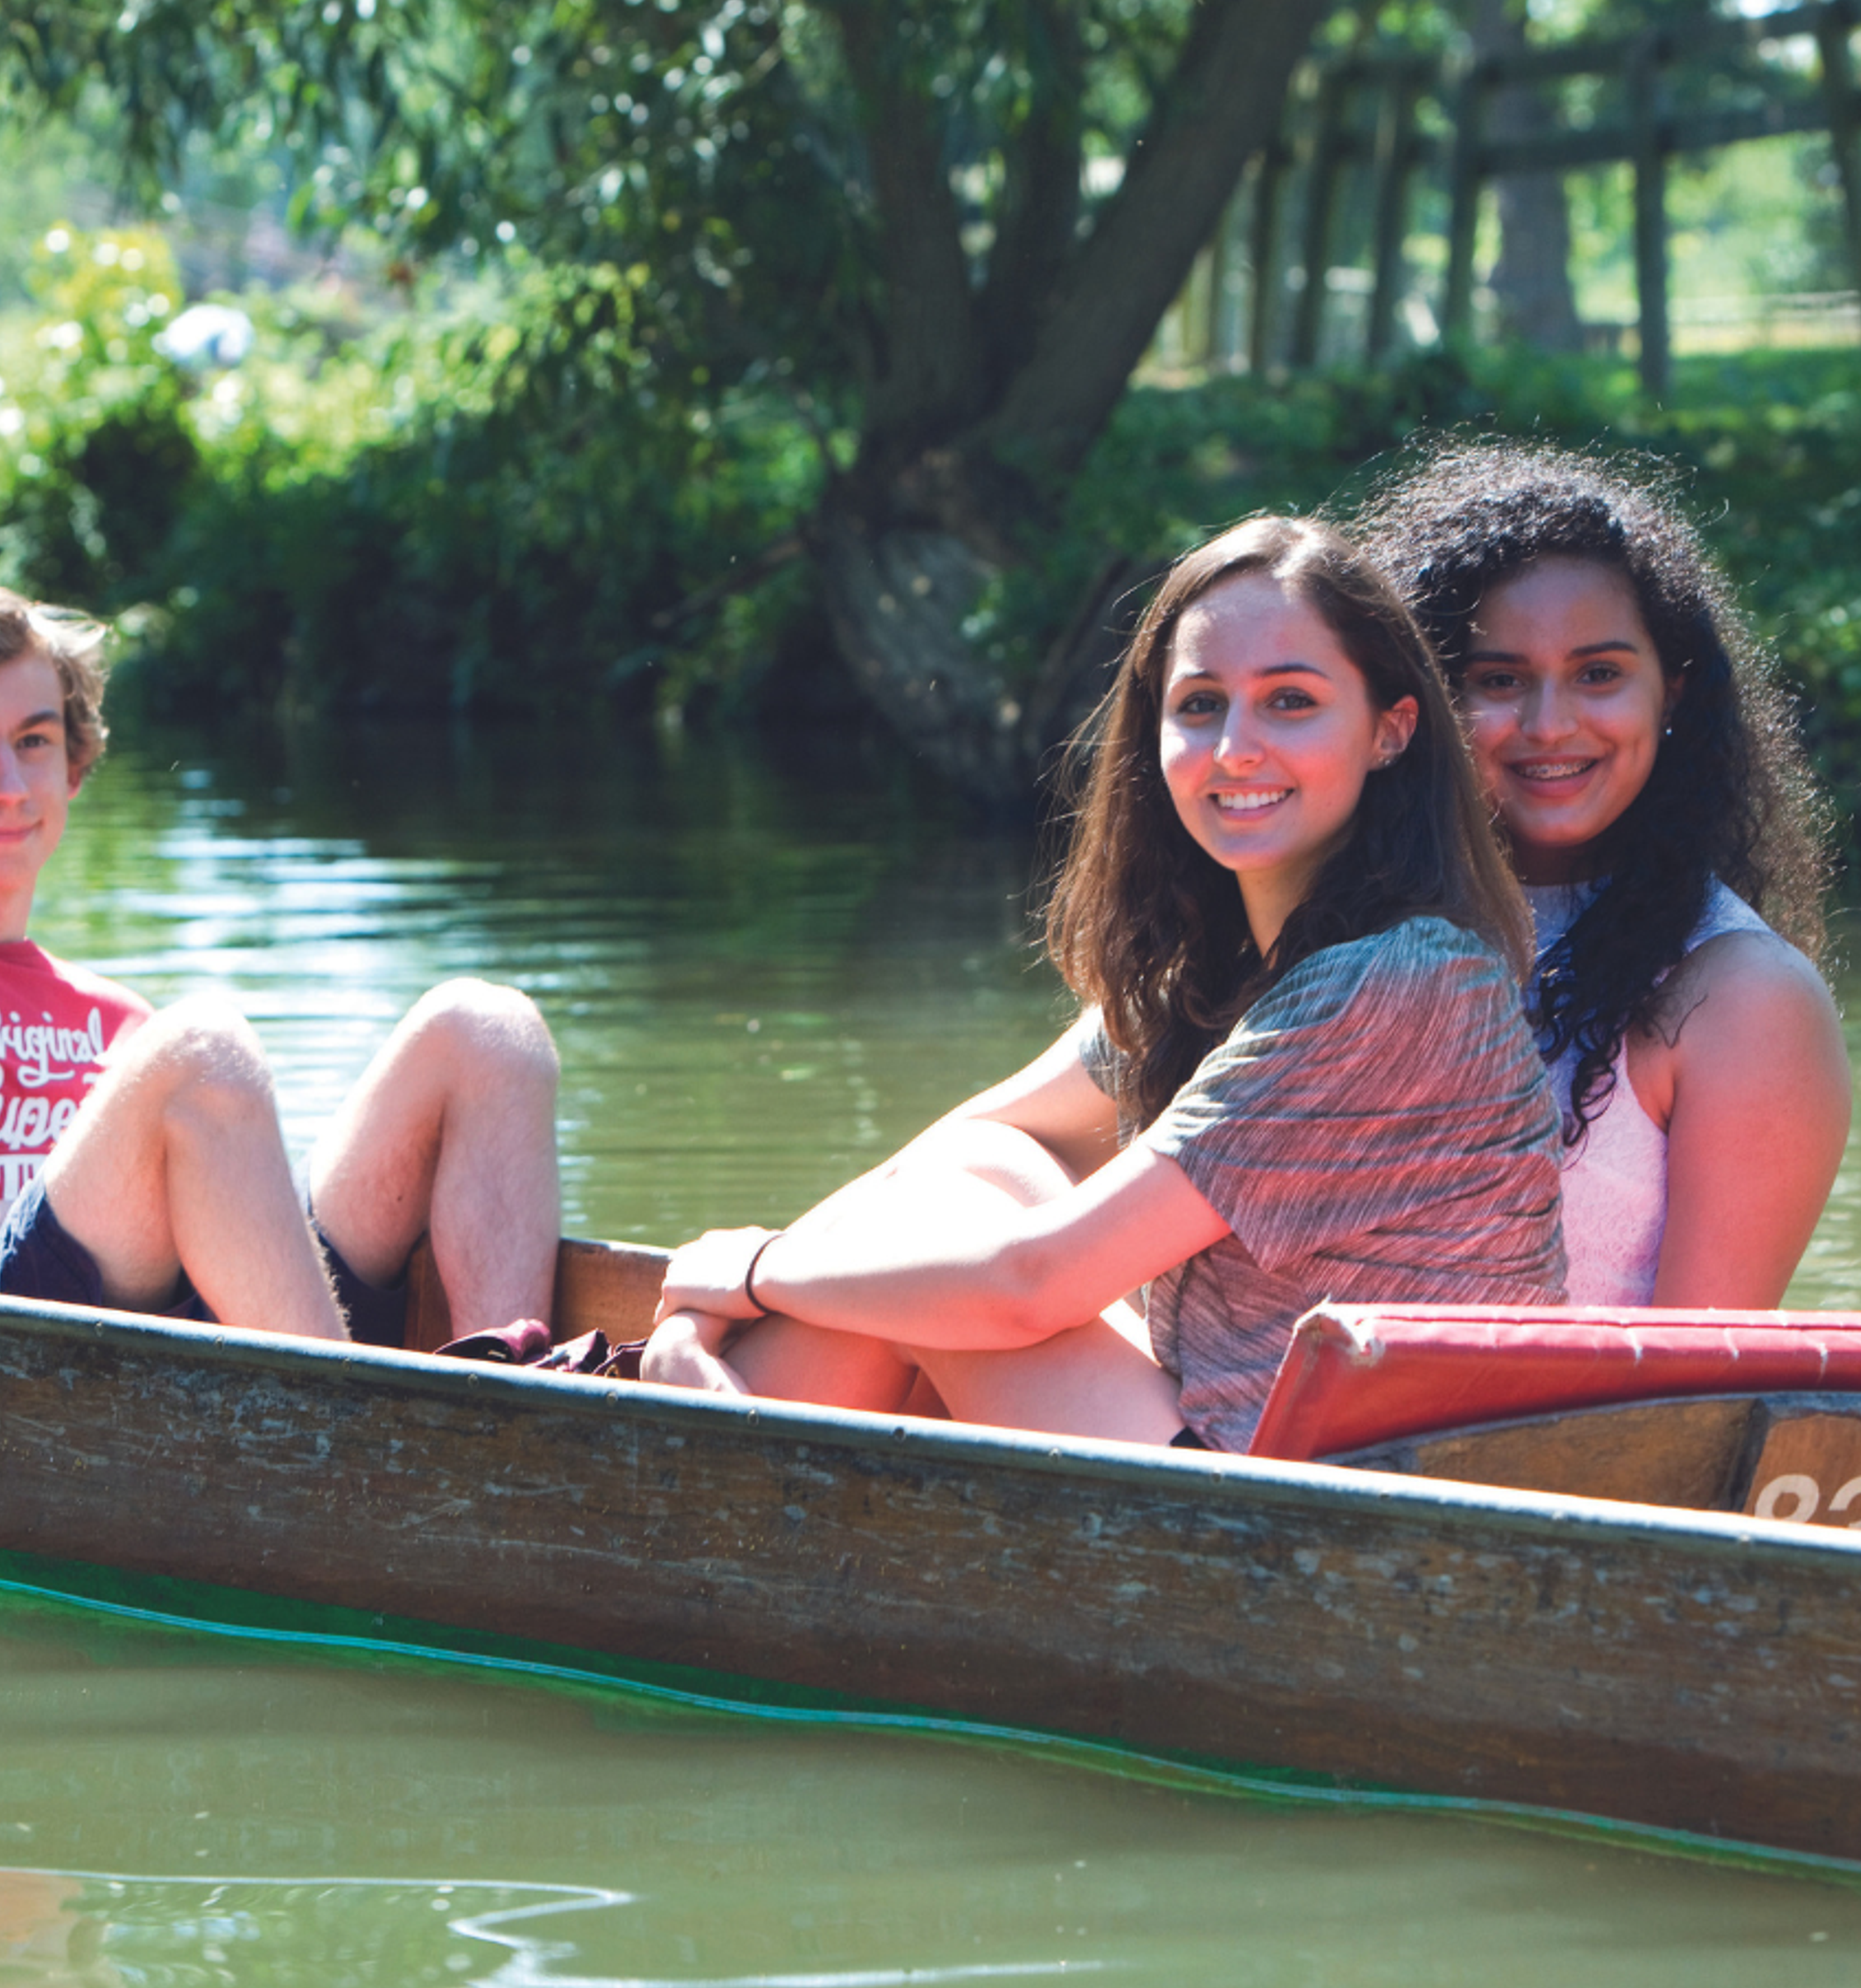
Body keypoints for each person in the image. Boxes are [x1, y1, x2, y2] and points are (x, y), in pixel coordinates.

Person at [641, 516, 1564, 1453]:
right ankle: (721, 1440)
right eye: (1200, 704)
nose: (1235, 747)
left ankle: (708, 1465)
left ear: (1390, 731)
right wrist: (709, 1301)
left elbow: (1033, 1286)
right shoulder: (1219, 969)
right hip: (1243, 1457)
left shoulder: (1398, 983)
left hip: (1329, 1511)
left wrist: (754, 1272)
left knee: (939, 1241)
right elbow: (951, 1147)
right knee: (975, 1167)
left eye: (1290, 701)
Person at [0, 582, 560, 1344]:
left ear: (73, 766)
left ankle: (517, 1394)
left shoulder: (123, 1023)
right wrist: (130, 1194)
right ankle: (341, 1418)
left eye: (34, 741)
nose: (8, 785)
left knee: (489, 1028)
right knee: (205, 1049)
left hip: (189, 1324)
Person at [1355, 440, 1850, 1310]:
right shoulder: (1337, 920)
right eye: (1498, 678)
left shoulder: (1743, 995)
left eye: (1599, 674)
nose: (1550, 723)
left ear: (1674, 693)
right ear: (1421, 703)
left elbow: (1698, 1381)